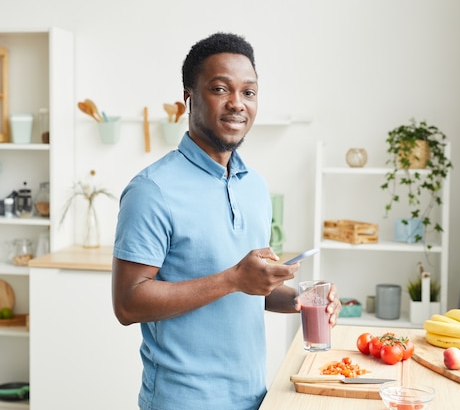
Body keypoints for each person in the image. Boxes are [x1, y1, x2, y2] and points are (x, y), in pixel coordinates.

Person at [112, 32, 340, 410]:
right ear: (189, 98)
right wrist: (232, 278)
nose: (237, 104)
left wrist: (303, 298)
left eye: (248, 93)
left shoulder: (255, 186)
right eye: (221, 89)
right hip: (182, 401)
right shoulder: (152, 190)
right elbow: (128, 303)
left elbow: (251, 289)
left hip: (253, 396)